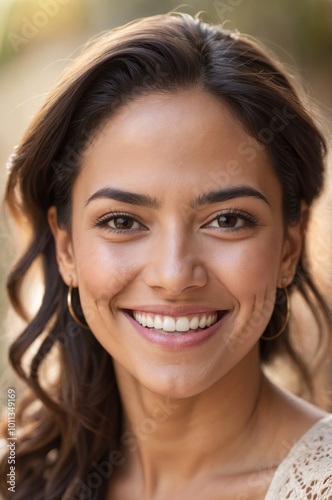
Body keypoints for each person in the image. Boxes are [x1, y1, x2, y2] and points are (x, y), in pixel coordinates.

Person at [0, 12, 331, 500]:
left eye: (227, 220)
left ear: (288, 246)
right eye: (122, 222)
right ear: (66, 247)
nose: (175, 276)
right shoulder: (17, 475)